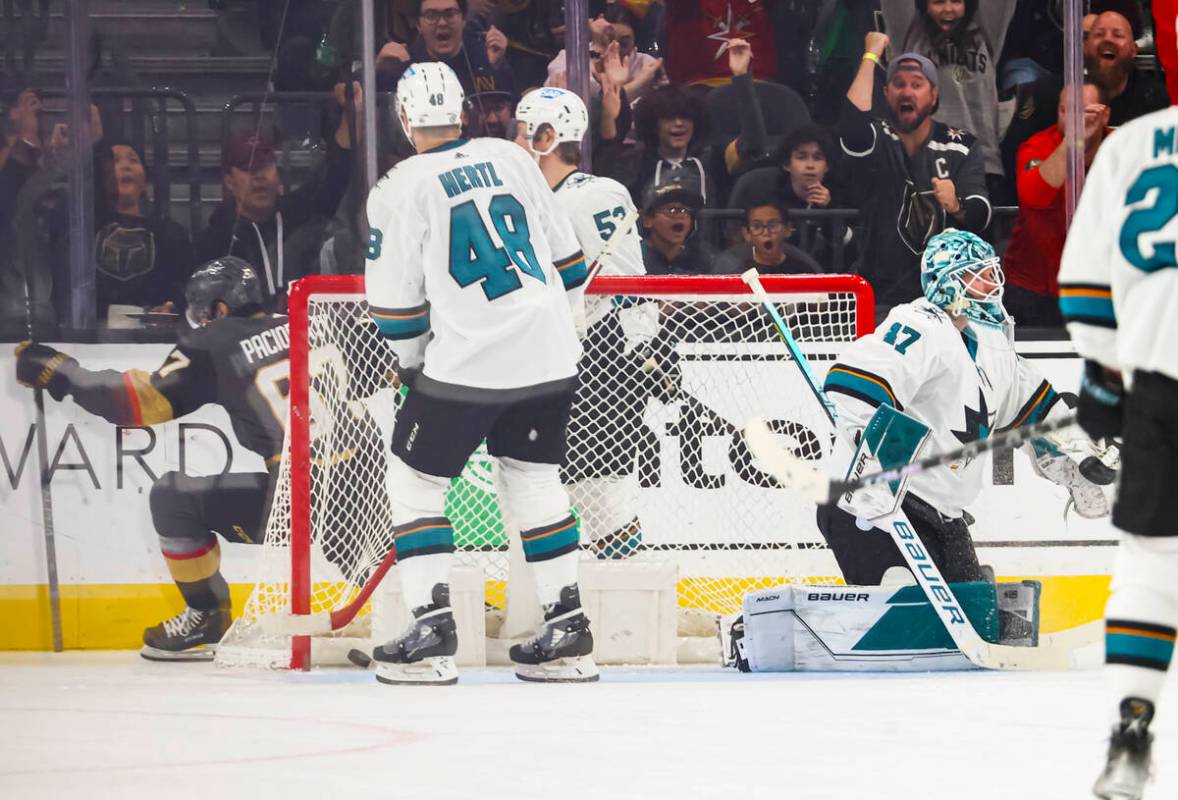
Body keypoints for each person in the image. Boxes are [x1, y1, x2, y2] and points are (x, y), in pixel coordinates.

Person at [12, 257, 392, 661]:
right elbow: (391, 364)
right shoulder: (315, 320)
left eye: (202, 312)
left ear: (221, 309)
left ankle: (206, 617)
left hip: (301, 504)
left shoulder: (215, 342)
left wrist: (61, 371)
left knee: (174, 497)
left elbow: (135, 403)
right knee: (395, 592)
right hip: (373, 490)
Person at [364, 62, 596, 685]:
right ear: (464, 112)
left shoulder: (397, 185)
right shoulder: (510, 155)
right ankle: (569, 630)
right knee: (534, 479)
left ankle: (432, 633)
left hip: (468, 362)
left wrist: (411, 369)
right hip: (550, 357)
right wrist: (552, 326)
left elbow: (395, 306)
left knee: (415, 480)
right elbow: (570, 263)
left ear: (404, 118)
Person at [818, 229, 1107, 588]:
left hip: (941, 516)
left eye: (992, 272)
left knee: (981, 620)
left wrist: (1078, 461)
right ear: (948, 282)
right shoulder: (919, 323)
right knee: (907, 616)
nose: (993, 283)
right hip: (870, 508)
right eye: (980, 274)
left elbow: (1042, 415)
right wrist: (871, 461)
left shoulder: (994, 347)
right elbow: (853, 385)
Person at [1057, 99, 1178, 800]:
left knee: (1152, 560)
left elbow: (1083, 287)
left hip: (1161, 377)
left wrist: (1108, 368)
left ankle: (1132, 730)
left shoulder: (1133, 142)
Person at [513, 86, 661, 560]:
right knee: (551, 486)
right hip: (554, 357)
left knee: (599, 491)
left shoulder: (594, 193)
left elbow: (626, 281)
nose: (514, 143)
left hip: (604, 355)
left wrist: (640, 350)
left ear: (546, 137)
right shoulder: (530, 198)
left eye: (521, 132)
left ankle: (628, 587)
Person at [839, 34, 991, 315]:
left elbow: (982, 214)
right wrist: (871, 55)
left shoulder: (960, 145)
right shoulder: (877, 135)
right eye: (898, 84)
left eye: (917, 85)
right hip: (878, 292)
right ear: (886, 93)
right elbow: (850, 125)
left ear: (933, 96)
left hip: (943, 293)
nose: (907, 92)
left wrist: (957, 205)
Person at [196, 82, 358, 311]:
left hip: (305, 332)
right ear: (229, 182)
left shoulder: (298, 213)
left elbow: (334, 172)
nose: (259, 176)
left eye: (265, 164)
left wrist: (351, 109)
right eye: (247, 166)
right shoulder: (216, 239)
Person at [881, 0, 1018, 201]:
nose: (947, 9)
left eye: (956, 1)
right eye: (938, 2)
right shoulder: (909, 31)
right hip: (924, 161)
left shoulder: (985, 30)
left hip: (983, 160)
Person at [1003, 81, 1110, 327]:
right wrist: (1073, 142)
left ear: (1104, 115)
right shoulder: (1036, 146)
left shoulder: (1123, 149)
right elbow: (1033, 196)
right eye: (1066, 111)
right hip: (1033, 289)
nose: (1075, 119)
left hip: (1100, 286)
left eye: (1084, 111)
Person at [92, 141, 195, 323]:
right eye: (115, 161)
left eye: (133, 160)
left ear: (145, 182)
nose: (125, 166)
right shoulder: (86, 229)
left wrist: (171, 307)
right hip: (92, 337)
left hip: (152, 339)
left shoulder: (170, 233)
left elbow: (186, 287)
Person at [372, 0, 516, 97]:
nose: (441, 22)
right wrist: (375, 69)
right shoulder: (404, 63)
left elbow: (507, 109)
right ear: (418, 24)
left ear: (464, 19)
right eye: (431, 15)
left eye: (450, 14)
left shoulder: (485, 57)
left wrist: (496, 66)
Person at [1084, 9, 1168, 126]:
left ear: (1134, 50)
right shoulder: (1069, 93)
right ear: (1086, 46)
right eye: (1099, 34)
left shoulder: (1156, 100)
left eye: (1118, 35)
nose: (1107, 39)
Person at [712, 200, 822, 275]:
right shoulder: (738, 273)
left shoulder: (803, 272)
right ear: (747, 234)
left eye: (773, 225)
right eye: (757, 226)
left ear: (787, 229)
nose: (766, 232)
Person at [639, 175, 715, 275]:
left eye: (684, 210)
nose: (680, 216)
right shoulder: (635, 257)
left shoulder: (704, 259)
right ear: (647, 220)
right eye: (671, 210)